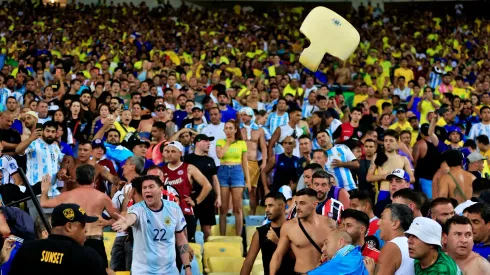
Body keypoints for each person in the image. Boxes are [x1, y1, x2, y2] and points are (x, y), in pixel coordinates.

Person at [39, 164, 119, 267]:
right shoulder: (102, 197)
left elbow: (43, 203)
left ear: (76, 178)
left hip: (75, 242)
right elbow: (121, 218)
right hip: (96, 241)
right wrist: (108, 222)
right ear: (94, 178)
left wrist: (44, 191)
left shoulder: (67, 195)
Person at [112, 175, 192, 275]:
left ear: (161, 189)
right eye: (144, 188)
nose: (147, 190)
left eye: (151, 187)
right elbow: (131, 217)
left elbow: (181, 238)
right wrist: (126, 222)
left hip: (169, 271)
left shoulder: (174, 208)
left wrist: (187, 267)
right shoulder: (137, 209)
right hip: (143, 271)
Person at [8, 203, 107, 275]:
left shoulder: (27, 249)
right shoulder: (87, 256)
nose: (86, 230)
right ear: (69, 227)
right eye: (83, 225)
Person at [269, 188, 337, 275]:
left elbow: (339, 254)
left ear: (315, 204)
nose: (297, 208)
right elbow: (278, 255)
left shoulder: (330, 224)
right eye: (296, 204)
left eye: (302, 203)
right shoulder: (289, 226)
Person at [162, 141, 212, 242]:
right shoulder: (161, 170)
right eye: (167, 151)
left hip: (185, 212)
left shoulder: (189, 168)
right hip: (166, 212)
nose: (169, 154)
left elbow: (207, 185)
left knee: (187, 244)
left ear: (180, 153)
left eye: (173, 151)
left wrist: (196, 201)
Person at [240, 192, 295, 275]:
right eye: (266, 206)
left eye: (270, 205)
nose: (266, 209)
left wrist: (278, 242)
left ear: (282, 206)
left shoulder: (294, 228)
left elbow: (298, 258)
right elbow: (249, 262)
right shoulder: (261, 232)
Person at [183, 134, 221, 241]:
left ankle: (206, 253)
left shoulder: (210, 160)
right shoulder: (187, 159)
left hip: (208, 198)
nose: (209, 143)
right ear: (198, 142)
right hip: (191, 197)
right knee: (190, 227)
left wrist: (218, 197)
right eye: (206, 141)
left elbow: (215, 180)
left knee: (207, 228)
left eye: (209, 141)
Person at [216, 119, 250, 236]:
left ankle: (238, 237)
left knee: (237, 208)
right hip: (223, 171)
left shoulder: (242, 143)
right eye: (226, 128)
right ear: (224, 130)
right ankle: (222, 236)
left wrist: (248, 181)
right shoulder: (220, 141)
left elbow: (245, 163)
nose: (228, 131)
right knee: (223, 209)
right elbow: (220, 155)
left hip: (237, 172)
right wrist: (228, 143)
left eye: (231, 128)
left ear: (235, 130)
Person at [367, 129, 414, 202]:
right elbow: (369, 177)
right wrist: (383, 176)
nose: (388, 143)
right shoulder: (377, 156)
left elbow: (412, 178)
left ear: (397, 142)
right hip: (384, 192)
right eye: (386, 141)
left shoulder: (403, 159)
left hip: (399, 193)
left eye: (391, 141)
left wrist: (399, 178)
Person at [239, 107, 267, 215]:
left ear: (251, 116)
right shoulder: (238, 129)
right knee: (238, 190)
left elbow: (263, 147)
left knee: (252, 192)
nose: (243, 117)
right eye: (241, 115)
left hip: (253, 162)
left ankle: (252, 215)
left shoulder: (260, 130)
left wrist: (264, 162)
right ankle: (239, 215)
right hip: (240, 162)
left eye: (245, 115)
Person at [376, 203, 414, 275]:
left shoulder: (391, 246)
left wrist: (370, 271)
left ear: (395, 224)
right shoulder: (411, 244)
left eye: (382, 218)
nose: (378, 223)